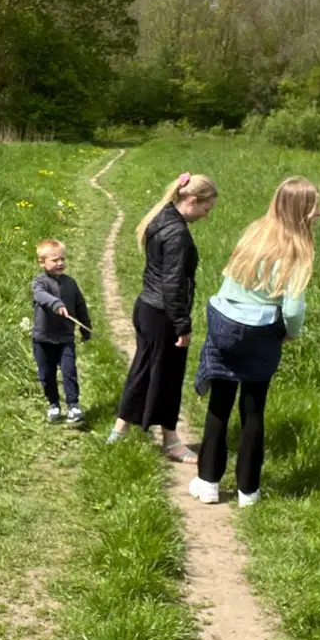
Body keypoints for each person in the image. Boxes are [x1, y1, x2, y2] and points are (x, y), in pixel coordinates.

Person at [189, 176, 320, 507]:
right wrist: (290, 332)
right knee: (253, 410)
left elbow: (230, 278)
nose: (319, 213)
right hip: (260, 333)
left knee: (219, 404)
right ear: (302, 211)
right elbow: (292, 308)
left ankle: (207, 482)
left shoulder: (254, 232)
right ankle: (248, 490)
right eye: (315, 207)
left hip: (224, 323)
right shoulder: (299, 251)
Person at [108, 171, 217, 462]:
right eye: (206, 209)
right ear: (192, 200)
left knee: (143, 369)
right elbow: (173, 284)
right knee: (168, 377)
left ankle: (119, 431)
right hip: (163, 315)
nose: (206, 216)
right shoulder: (178, 233)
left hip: (146, 307)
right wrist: (182, 324)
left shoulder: (161, 216)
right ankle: (171, 442)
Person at [31, 238, 91, 424]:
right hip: (43, 339)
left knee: (69, 372)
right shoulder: (39, 282)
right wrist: (55, 303)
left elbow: (80, 306)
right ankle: (53, 404)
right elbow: (40, 296)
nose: (60, 263)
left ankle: (73, 406)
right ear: (42, 262)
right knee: (46, 375)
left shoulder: (70, 284)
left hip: (65, 338)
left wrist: (85, 327)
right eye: (55, 260)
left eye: (62, 259)